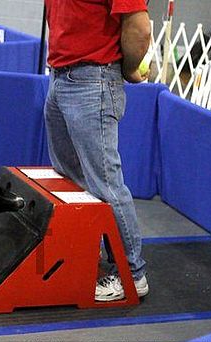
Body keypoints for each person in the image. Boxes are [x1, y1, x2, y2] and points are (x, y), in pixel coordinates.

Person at [43, 0, 151, 301]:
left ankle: (132, 274)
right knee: (70, 178)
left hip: (93, 80)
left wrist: (128, 69)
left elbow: (140, 28)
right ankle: (84, 254)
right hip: (61, 76)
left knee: (105, 183)